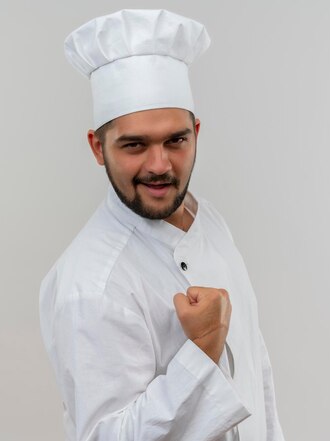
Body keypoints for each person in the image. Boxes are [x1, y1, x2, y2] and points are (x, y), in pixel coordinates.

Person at [39, 9, 285, 441]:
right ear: (98, 147)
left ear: (196, 133)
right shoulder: (94, 286)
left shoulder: (206, 218)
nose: (159, 166)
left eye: (176, 140)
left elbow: (255, 370)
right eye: (134, 145)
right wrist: (203, 348)